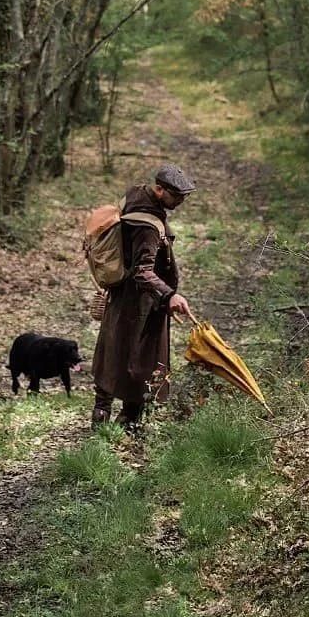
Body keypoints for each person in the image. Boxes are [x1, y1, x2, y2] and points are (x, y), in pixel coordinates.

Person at [90, 163, 195, 430]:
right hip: (139, 304)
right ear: (159, 190)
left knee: (113, 353)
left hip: (125, 297)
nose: (181, 201)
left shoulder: (136, 197)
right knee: (139, 361)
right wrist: (169, 295)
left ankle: (102, 419)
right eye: (177, 196)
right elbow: (142, 271)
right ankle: (127, 423)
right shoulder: (147, 225)